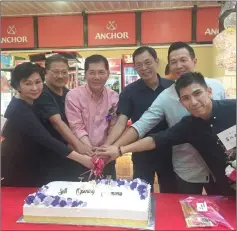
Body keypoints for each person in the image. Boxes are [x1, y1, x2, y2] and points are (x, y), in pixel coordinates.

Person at [103, 42, 226, 194]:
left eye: (183, 60)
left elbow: (227, 118)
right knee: (177, 206)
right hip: (185, 168)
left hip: (219, 167)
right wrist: (116, 148)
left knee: (221, 209)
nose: (179, 66)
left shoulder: (217, 86)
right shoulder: (166, 96)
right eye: (174, 62)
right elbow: (142, 125)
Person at [1, 62, 93, 187]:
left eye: (38, 82)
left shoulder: (31, 103)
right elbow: (47, 139)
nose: (35, 88)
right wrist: (84, 159)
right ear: (17, 86)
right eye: (28, 83)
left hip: (30, 166)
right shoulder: (19, 109)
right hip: (16, 170)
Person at [103, 46, 176, 192]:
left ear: (156, 62)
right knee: (141, 193)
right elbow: (121, 122)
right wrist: (108, 146)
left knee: (171, 192)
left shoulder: (172, 87)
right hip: (141, 153)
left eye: (148, 62)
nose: (144, 68)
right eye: (138, 65)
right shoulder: (129, 91)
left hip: (171, 152)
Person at [34, 54, 93, 182]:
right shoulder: (43, 93)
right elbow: (57, 123)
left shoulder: (69, 94)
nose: (60, 76)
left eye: (64, 72)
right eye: (55, 72)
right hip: (51, 156)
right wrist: (79, 146)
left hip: (70, 156)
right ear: (46, 72)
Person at [65, 54, 119, 179]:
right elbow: (76, 126)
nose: (97, 77)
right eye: (92, 72)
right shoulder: (73, 96)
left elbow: (113, 125)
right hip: (80, 156)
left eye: (101, 72)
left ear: (108, 74)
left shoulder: (114, 97)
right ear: (85, 74)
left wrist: (104, 150)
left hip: (106, 157)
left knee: (107, 192)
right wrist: (88, 149)